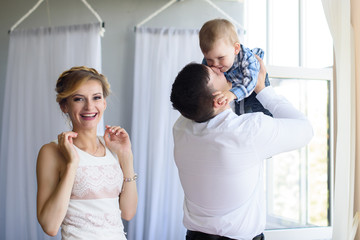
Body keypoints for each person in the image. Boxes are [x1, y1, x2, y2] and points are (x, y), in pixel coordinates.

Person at [170, 57, 313, 240]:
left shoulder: (181, 127)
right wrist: (263, 90)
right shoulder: (247, 132)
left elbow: (195, 92)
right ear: (219, 102)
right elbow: (305, 130)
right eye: (214, 72)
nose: (219, 69)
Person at [36, 66, 138, 240]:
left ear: (104, 103)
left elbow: (128, 213)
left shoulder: (112, 148)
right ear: (64, 106)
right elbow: (50, 226)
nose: (89, 106)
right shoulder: (51, 152)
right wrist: (72, 164)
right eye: (78, 99)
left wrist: (126, 156)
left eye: (96, 97)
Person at [199, 18, 272, 116]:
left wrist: (233, 94)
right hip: (236, 88)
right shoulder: (211, 61)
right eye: (209, 59)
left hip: (253, 86)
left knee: (260, 111)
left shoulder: (246, 58)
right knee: (240, 114)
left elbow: (250, 81)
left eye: (220, 57)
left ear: (236, 49)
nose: (215, 64)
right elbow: (204, 77)